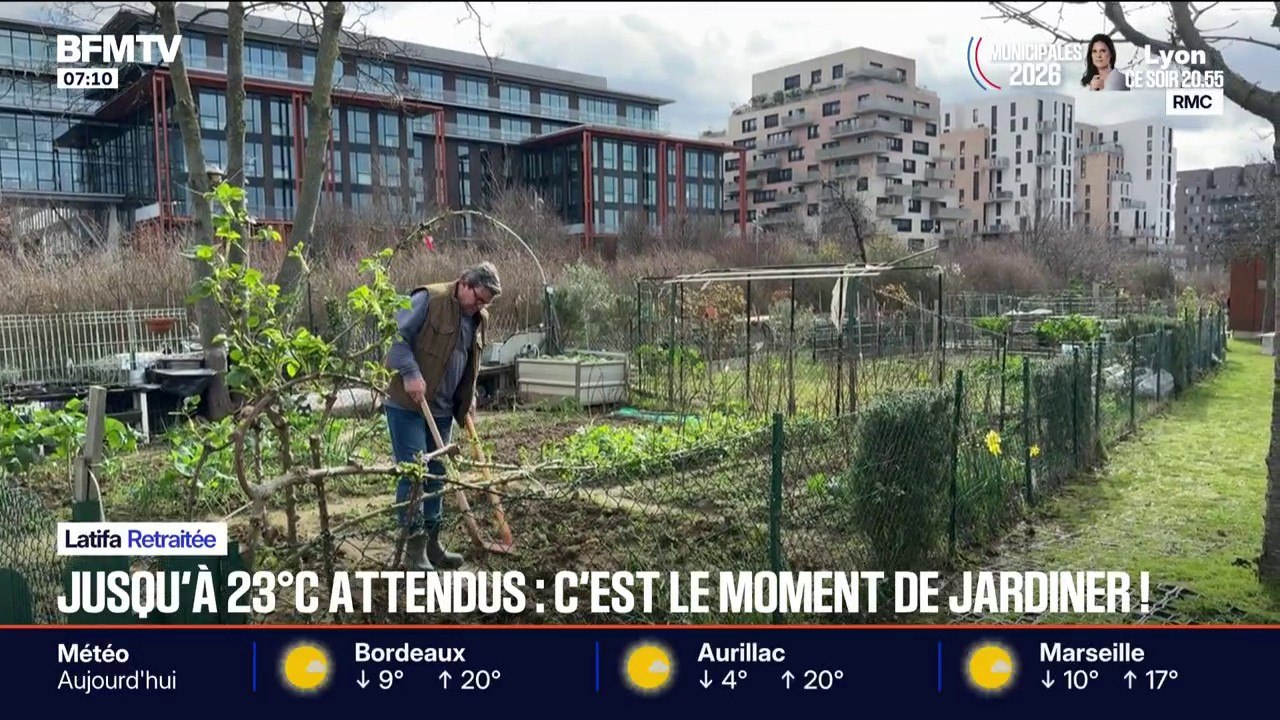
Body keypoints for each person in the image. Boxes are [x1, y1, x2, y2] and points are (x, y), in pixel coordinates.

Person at [383, 261, 500, 571]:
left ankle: (433, 545)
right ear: (463, 282)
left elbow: (467, 360)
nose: (479, 307)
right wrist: (409, 372)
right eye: (478, 299)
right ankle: (414, 550)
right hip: (409, 405)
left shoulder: (477, 319)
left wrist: (468, 394)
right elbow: (394, 337)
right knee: (415, 475)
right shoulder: (429, 299)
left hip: (443, 410)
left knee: (437, 477)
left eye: (485, 303)